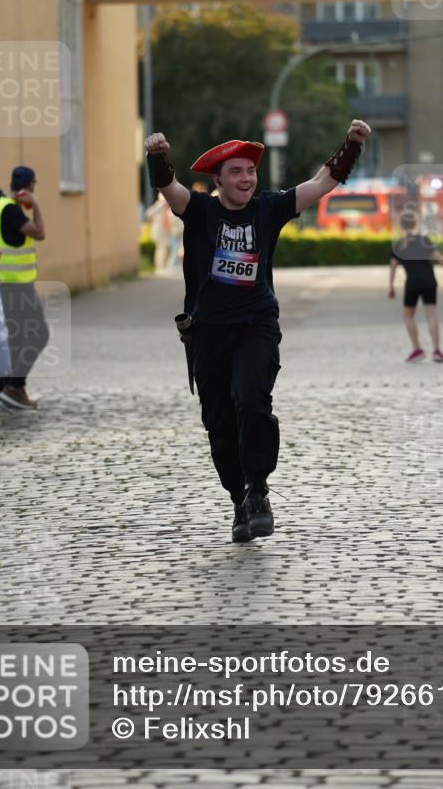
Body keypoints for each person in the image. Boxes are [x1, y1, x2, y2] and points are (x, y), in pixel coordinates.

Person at [144, 119, 372, 543]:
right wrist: (158, 156)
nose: (246, 179)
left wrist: (352, 145)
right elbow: (169, 187)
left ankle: (260, 490)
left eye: (251, 171)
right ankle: (239, 499)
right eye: (236, 171)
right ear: (218, 179)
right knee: (219, 423)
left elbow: (322, 183)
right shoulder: (200, 212)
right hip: (209, 332)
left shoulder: (267, 208)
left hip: (257, 325)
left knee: (251, 399)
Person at [0, 166, 49, 411]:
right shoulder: (11, 209)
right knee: (39, 335)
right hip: (15, 287)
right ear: (28, 186)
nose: (35, 187)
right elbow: (40, 233)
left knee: (17, 339)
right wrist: (36, 205)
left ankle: (5, 390)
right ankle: (13, 386)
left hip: (8, 285)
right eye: (34, 183)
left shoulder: (1, 207)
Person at [388, 210, 443, 363]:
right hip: (429, 281)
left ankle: (417, 348)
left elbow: (393, 267)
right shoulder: (424, 240)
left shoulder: (398, 245)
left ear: (401, 225)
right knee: (431, 315)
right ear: (415, 224)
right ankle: (437, 350)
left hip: (412, 283)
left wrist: (391, 286)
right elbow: (439, 258)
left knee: (408, 316)